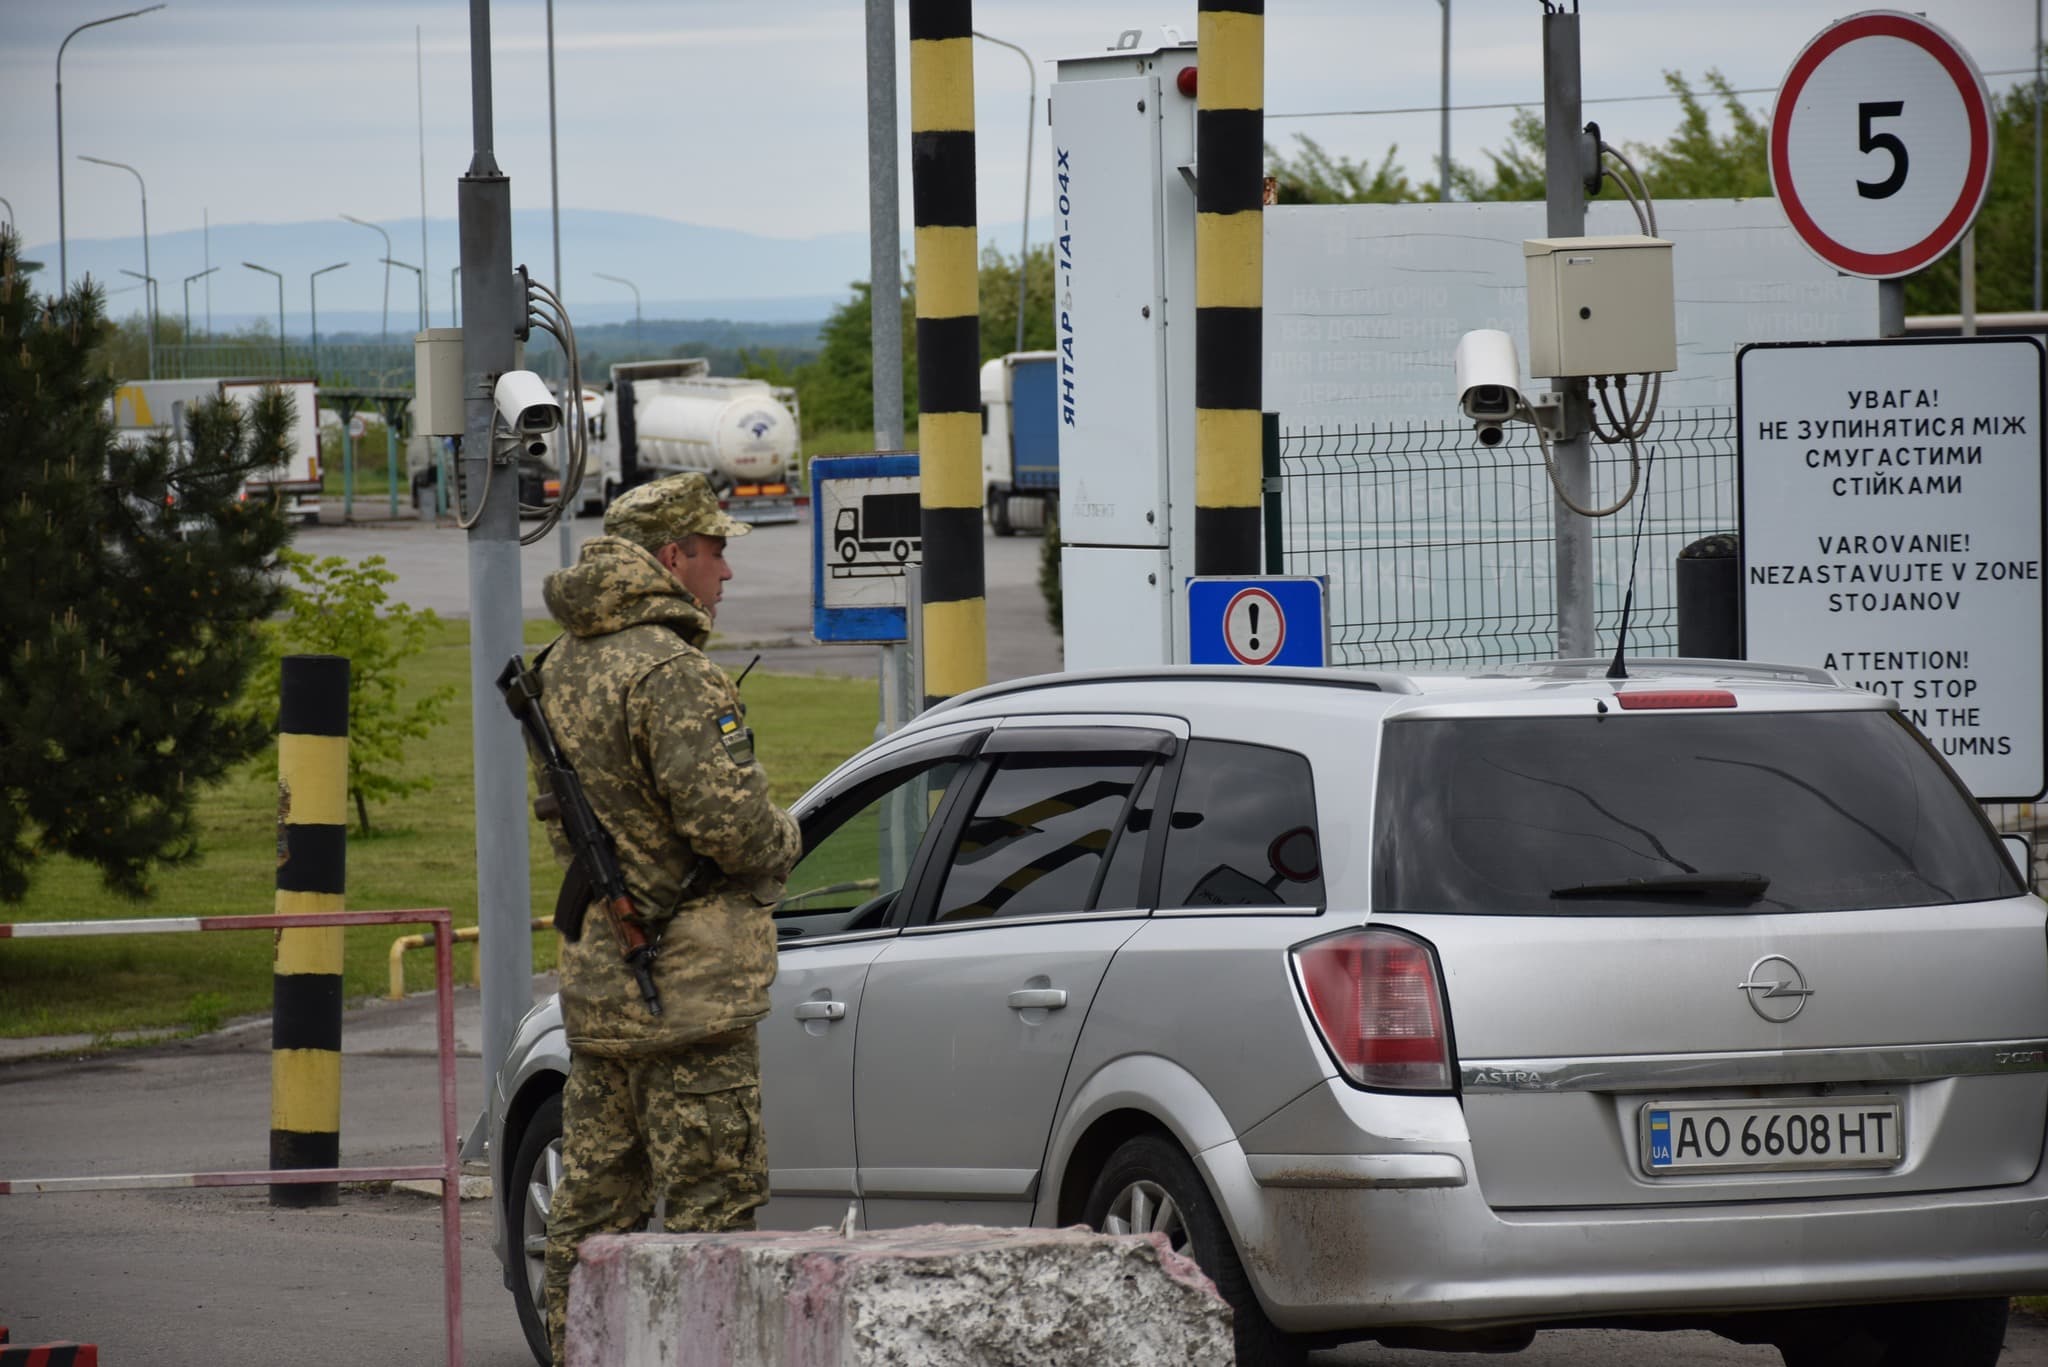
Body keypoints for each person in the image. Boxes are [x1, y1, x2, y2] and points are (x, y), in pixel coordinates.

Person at [529, 472, 801, 1365]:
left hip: (606, 993)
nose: (726, 569)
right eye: (715, 549)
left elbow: (557, 814)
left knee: (590, 1215)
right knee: (711, 1223)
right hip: (690, 1001)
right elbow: (734, 827)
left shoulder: (561, 664)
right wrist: (786, 835)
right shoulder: (675, 671)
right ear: (672, 557)